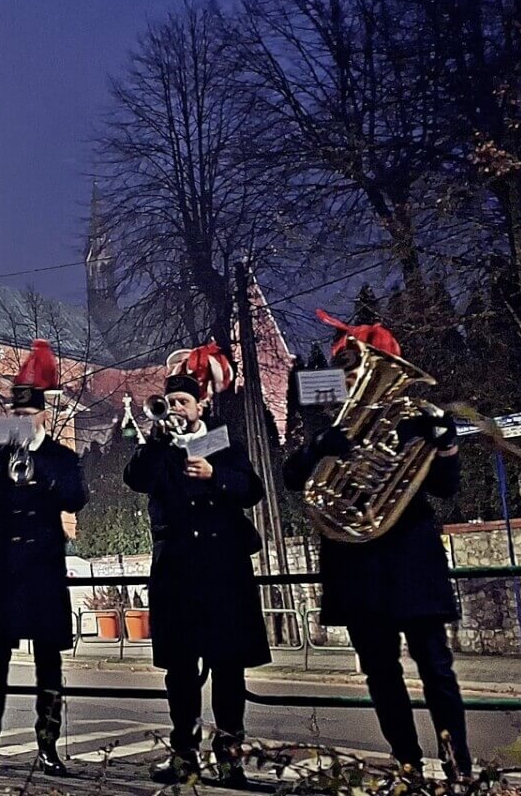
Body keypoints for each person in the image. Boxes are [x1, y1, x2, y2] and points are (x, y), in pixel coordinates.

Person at [283, 312, 469, 778]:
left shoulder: (416, 420)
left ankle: (458, 767)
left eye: (359, 373)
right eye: (348, 376)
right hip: (355, 565)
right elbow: (293, 480)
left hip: (410, 561)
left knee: (437, 672)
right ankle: (407, 762)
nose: (354, 382)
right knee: (381, 676)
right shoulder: (332, 429)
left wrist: (446, 446)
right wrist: (316, 449)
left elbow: (446, 488)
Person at [128, 342, 271, 787]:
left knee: (228, 668)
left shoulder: (224, 439)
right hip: (177, 571)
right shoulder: (161, 447)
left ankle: (229, 758)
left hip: (222, 568)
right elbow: (135, 478)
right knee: (181, 673)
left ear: (200, 404)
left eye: (182, 402)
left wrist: (216, 477)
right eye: (169, 402)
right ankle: (184, 756)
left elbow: (252, 489)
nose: (175, 408)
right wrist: (155, 438)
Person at [0, 340, 89, 777]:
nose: (24, 422)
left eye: (29, 417)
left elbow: (76, 499)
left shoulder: (62, 457)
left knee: (48, 663)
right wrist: (5, 456)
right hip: (4, 572)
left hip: (44, 569)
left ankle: (49, 747)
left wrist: (41, 469)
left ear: (43, 416)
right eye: (18, 417)